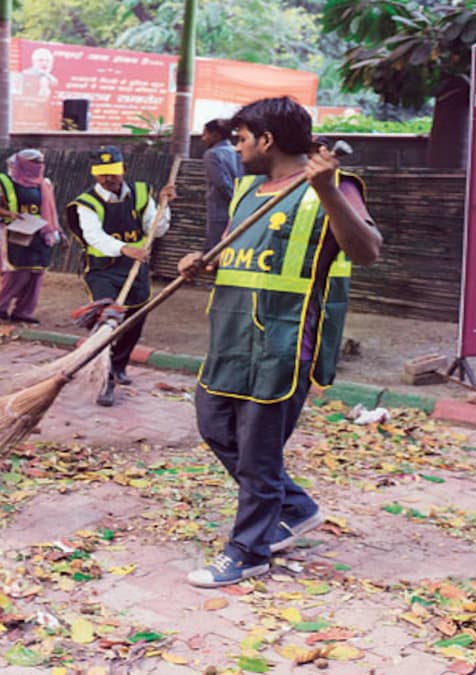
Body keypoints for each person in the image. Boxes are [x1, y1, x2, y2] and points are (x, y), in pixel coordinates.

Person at [176, 97, 382, 587]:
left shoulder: (332, 187)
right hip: (231, 335)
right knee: (213, 424)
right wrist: (205, 262)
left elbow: (368, 251)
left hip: (282, 342)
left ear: (267, 140)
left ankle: (249, 551)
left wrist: (326, 190)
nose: (236, 148)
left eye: (242, 138)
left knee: (258, 454)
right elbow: (244, 251)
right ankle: (295, 506)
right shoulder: (248, 190)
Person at [65, 146, 176, 407]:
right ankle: (103, 380)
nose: (108, 179)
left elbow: (156, 229)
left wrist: (164, 206)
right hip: (102, 270)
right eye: (102, 174)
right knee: (108, 320)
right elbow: (93, 236)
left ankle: (118, 366)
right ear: (94, 174)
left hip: (135, 268)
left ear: (124, 169)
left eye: (113, 172)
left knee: (135, 319)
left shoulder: (141, 193)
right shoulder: (87, 203)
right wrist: (124, 248)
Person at [0, 149, 62, 324]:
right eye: (35, 162)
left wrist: (57, 231)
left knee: (36, 272)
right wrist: (10, 214)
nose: (39, 165)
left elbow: (51, 210)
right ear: (22, 163)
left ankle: (23, 312)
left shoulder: (45, 184)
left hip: (39, 232)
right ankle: (2, 306)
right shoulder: (6, 182)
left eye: (41, 162)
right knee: (17, 271)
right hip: (15, 232)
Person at [202, 119, 243, 252]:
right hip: (239, 208)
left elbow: (222, 183)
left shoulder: (212, 154)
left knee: (214, 249)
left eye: (205, 134)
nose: (203, 138)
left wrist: (234, 202)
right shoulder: (237, 151)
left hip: (219, 209)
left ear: (216, 135)